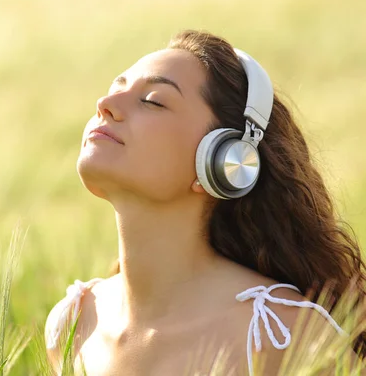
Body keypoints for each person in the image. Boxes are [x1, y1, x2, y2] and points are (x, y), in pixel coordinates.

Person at [44, 29, 366, 375]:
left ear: (226, 162)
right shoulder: (74, 323)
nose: (105, 106)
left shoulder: (283, 334)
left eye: (152, 100)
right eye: (114, 90)